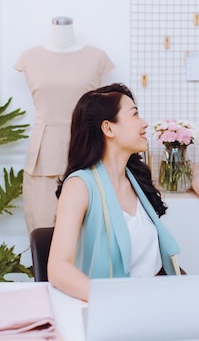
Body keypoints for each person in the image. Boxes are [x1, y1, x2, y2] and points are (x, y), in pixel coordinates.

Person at [47, 83, 181, 301]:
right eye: (135, 115)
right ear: (108, 129)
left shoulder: (136, 179)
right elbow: (58, 269)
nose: (144, 123)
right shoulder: (80, 186)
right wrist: (115, 302)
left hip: (155, 299)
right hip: (116, 307)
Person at [14, 17, 115, 234]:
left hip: (88, 149)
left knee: (88, 234)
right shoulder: (29, 57)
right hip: (44, 156)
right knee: (44, 233)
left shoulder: (96, 57)